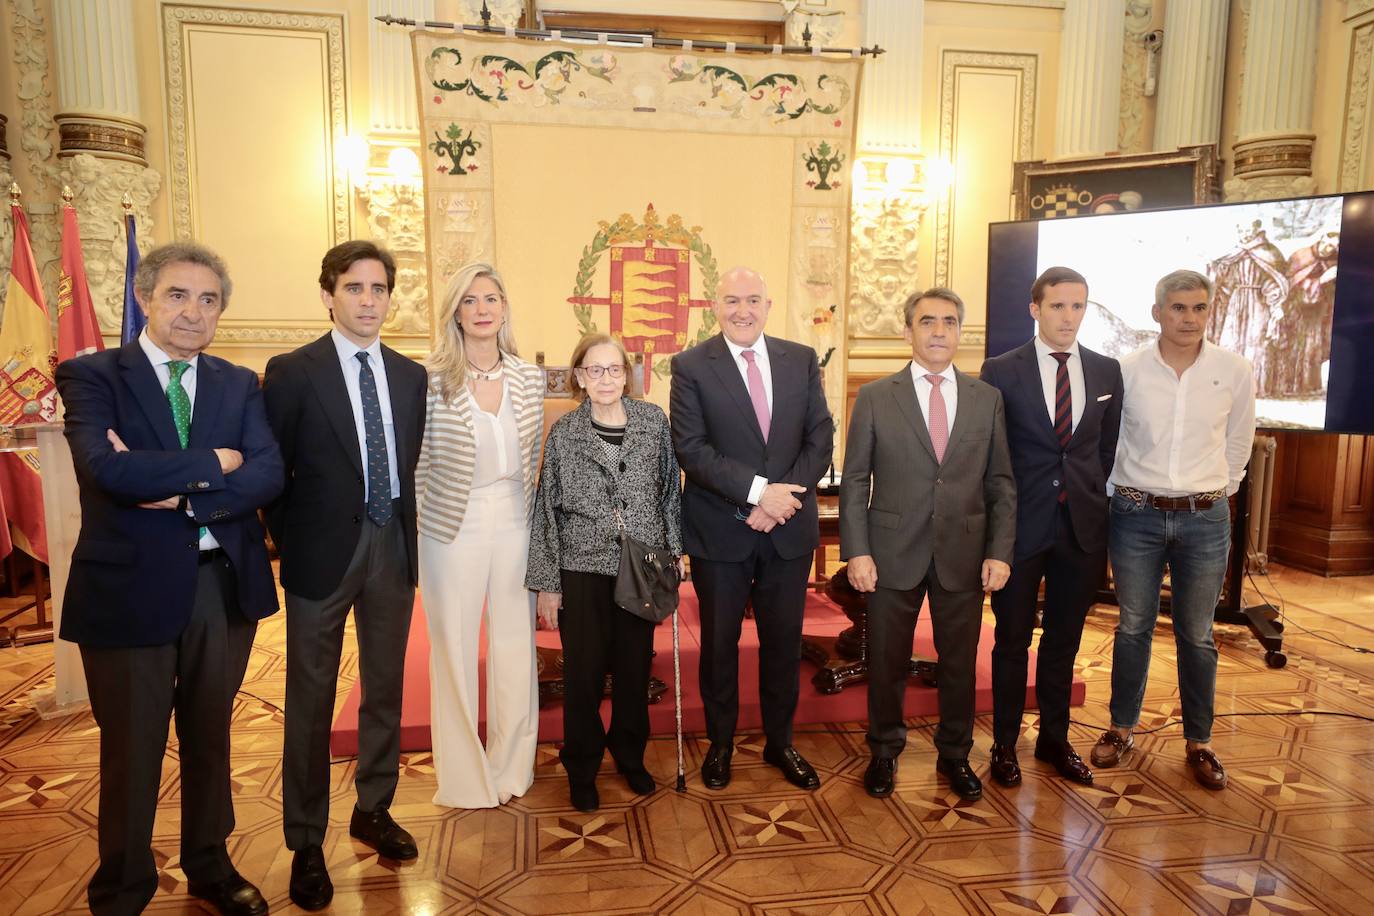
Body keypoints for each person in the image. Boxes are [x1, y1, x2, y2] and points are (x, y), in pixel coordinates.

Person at [55, 242, 283, 916]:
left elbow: (267, 473)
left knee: (211, 736)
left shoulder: (237, 383)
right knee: (133, 748)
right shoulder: (92, 375)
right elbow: (109, 472)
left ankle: (210, 865)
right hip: (129, 590)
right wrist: (216, 459)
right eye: (179, 295)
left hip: (222, 585)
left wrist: (182, 491)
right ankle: (123, 890)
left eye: (209, 299)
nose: (194, 311)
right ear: (144, 298)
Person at [263, 241, 427, 909]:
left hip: (392, 544)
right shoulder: (293, 371)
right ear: (328, 293)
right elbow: (272, 471)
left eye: (379, 288)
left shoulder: (410, 375)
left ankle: (374, 808)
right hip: (321, 555)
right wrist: (294, 537)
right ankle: (305, 841)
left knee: (384, 688)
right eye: (355, 287)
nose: (368, 299)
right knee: (311, 700)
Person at [841, 287, 1016, 801]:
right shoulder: (875, 395)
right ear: (907, 331)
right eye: (927, 322)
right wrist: (857, 550)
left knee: (959, 663)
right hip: (891, 551)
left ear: (960, 331)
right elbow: (855, 481)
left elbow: (1001, 482)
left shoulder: (987, 398)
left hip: (964, 553)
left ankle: (956, 754)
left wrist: (999, 551)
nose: (939, 331)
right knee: (888, 661)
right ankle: (884, 751)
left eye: (949, 322)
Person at [669, 266, 833, 791]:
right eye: (732, 300)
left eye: (753, 300)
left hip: (788, 531)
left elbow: (820, 437)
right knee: (719, 644)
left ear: (768, 305)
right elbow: (692, 450)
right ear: (714, 306)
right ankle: (719, 745)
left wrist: (781, 501)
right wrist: (760, 492)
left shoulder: (800, 359)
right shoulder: (692, 365)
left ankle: (780, 742)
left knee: (783, 644)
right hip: (722, 531)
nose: (743, 310)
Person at [1092, 269, 1256, 791]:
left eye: (1199, 308)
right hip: (1135, 516)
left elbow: (1239, 441)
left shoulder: (1234, 370)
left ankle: (1199, 742)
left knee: (1197, 633)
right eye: (1179, 307)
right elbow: (1111, 441)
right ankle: (1120, 729)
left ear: (1210, 312)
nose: (1189, 318)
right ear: (1157, 311)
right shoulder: (1127, 370)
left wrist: (1215, 493)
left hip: (1205, 520)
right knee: (1133, 627)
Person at [979, 267, 1123, 787]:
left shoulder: (1107, 371)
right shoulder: (1000, 369)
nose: (1069, 316)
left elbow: (1105, 449)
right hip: (1018, 527)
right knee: (1011, 641)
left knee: (1064, 641)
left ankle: (1055, 741)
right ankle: (1004, 745)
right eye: (1058, 306)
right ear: (1035, 309)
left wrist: (1088, 496)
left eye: (1078, 306)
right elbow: (991, 452)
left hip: (1082, 528)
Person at [527, 333, 683, 812]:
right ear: (578, 377)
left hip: (641, 565)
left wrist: (675, 554)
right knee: (585, 676)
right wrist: (548, 585)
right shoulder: (566, 432)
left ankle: (630, 758)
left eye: (614, 369)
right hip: (583, 568)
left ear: (628, 375)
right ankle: (582, 765)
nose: (605, 379)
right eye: (594, 370)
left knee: (635, 672)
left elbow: (669, 492)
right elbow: (546, 508)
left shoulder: (653, 422)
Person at [416, 261, 545, 808]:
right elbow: (416, 462)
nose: (482, 309)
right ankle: (466, 777)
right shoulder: (427, 378)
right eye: (470, 301)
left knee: (516, 646)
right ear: (455, 313)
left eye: (491, 298)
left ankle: (511, 767)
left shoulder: (529, 377)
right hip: (451, 522)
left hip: (516, 514)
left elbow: (538, 462)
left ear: (504, 308)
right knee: (455, 646)